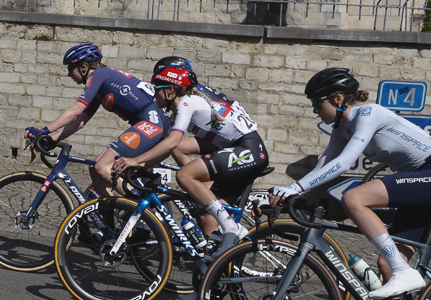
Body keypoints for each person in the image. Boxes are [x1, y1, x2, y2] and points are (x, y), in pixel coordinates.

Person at [270, 68, 431, 299]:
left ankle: (404, 272)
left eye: (316, 102)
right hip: (421, 181)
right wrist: (290, 190)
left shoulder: (369, 113)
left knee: (354, 198)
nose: (314, 109)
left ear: (337, 99)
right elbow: (324, 165)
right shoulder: (342, 129)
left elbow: (345, 162)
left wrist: (295, 188)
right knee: (387, 265)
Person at [113, 65, 268, 256]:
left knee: (184, 175)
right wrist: (139, 167)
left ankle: (231, 229)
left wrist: (135, 160)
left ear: (170, 90)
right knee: (206, 217)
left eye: (156, 89)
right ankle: (220, 272)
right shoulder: (179, 109)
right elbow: (168, 149)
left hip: (248, 149)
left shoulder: (187, 102)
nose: (154, 96)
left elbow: (171, 142)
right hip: (235, 148)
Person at [24, 43, 170, 197]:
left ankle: (142, 211)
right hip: (153, 123)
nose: (68, 74)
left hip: (153, 123)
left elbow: (75, 111)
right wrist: (50, 140)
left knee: (102, 166)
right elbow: (80, 121)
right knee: (95, 168)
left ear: (83, 67)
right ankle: (107, 218)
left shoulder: (97, 75)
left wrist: (43, 131)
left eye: (70, 69)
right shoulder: (100, 85)